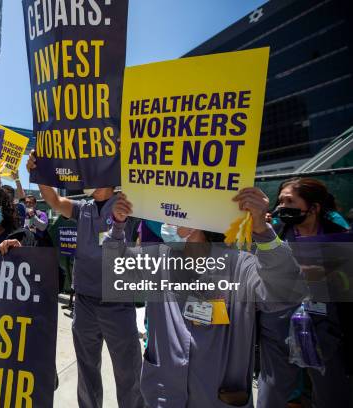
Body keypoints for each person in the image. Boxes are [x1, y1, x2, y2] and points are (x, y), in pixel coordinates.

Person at [104, 188, 304, 408]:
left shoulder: (240, 266)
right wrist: (118, 225)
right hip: (163, 395)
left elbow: (283, 292)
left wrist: (262, 230)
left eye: (173, 215)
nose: (165, 223)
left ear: (198, 221)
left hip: (217, 397)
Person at [26, 152, 145, 408]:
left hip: (117, 303)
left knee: (128, 372)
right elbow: (54, 200)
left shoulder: (128, 203)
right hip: (85, 303)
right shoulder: (83, 209)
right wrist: (38, 173)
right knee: (87, 369)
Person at [257, 178, 352, 408]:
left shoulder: (341, 238)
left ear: (314, 208)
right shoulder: (274, 234)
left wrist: (330, 277)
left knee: (331, 392)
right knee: (272, 392)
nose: (281, 207)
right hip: (279, 327)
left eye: (290, 201)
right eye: (280, 201)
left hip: (325, 330)